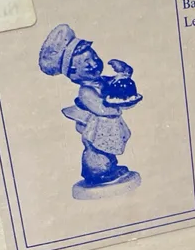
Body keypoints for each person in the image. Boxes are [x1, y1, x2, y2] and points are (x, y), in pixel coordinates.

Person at [38, 23, 143, 197]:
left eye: (95, 58)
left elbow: (118, 85)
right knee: (98, 152)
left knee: (108, 151)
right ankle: (98, 174)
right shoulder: (86, 91)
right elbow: (102, 109)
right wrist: (114, 99)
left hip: (108, 128)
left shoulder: (100, 81)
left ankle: (110, 169)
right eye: (86, 64)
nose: (94, 64)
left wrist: (124, 74)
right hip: (98, 129)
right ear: (73, 72)